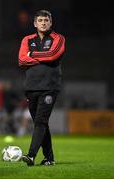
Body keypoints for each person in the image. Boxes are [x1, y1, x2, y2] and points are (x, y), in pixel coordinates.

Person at [18, 10, 66, 166]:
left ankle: (31, 155)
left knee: (40, 121)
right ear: (35, 23)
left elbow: (52, 55)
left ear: (51, 23)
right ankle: (49, 158)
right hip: (31, 87)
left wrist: (32, 55)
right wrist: (41, 56)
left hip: (49, 87)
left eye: (46, 20)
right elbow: (21, 59)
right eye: (40, 20)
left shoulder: (58, 38)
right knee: (42, 124)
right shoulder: (27, 39)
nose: (43, 22)